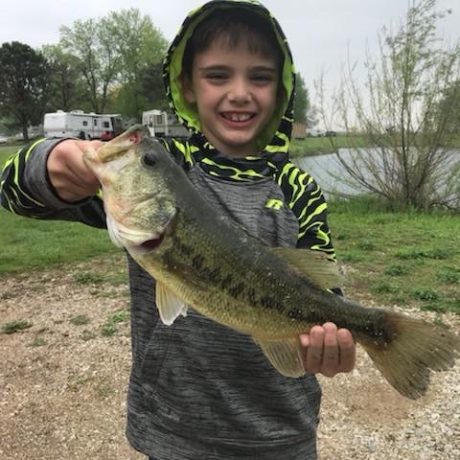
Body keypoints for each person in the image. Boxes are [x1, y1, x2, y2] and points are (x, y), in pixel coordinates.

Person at [0, 1, 356, 458]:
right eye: (218, 75)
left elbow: (327, 292)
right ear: (187, 87)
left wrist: (333, 338)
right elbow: (13, 192)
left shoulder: (298, 188)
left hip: (281, 434)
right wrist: (52, 165)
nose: (240, 93)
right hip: (171, 433)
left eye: (260, 77)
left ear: (281, 89)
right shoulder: (171, 167)